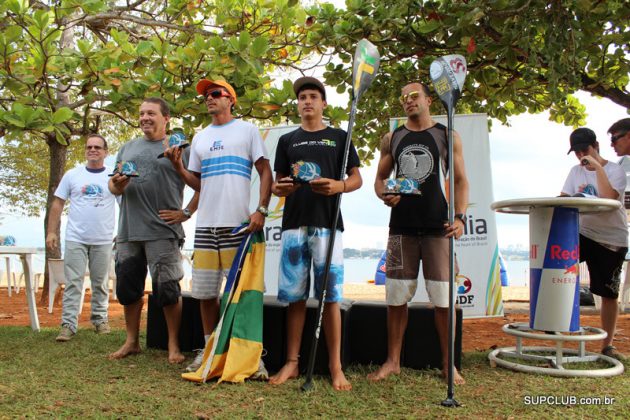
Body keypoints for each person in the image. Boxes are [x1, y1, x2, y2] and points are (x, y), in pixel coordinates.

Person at [165, 78, 272, 373]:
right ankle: (209, 348)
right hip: (206, 227)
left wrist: (261, 209)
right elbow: (198, 184)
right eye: (205, 96)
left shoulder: (247, 130)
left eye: (215, 94)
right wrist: (179, 168)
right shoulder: (200, 137)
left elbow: (265, 171)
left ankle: (252, 356)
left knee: (244, 293)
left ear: (230, 99)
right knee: (205, 294)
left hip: (238, 225)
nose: (208, 99)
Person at [368, 82, 469, 385]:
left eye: (414, 96)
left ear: (427, 99)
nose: (408, 101)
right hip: (401, 228)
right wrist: (384, 195)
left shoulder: (447, 135)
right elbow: (380, 179)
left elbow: (461, 180)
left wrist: (460, 217)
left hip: (438, 227)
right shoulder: (393, 137)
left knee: (443, 300)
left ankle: (448, 364)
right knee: (396, 298)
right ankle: (393, 361)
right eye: (403, 97)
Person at [268, 77, 362, 391]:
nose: (307, 101)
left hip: (328, 225)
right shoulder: (288, 140)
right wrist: (280, 187)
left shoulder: (339, 137)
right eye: (302, 97)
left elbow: (356, 178)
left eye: (313, 96)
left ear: (323, 103)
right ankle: (292, 363)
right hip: (294, 225)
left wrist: (339, 186)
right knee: (294, 299)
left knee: (330, 298)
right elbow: (277, 184)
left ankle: (336, 368)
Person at [108, 97, 198, 364]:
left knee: (168, 290)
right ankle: (132, 341)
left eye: (151, 113)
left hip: (163, 231)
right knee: (127, 289)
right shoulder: (127, 148)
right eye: (142, 113)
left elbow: (202, 184)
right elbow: (113, 187)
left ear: (166, 118)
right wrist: (118, 185)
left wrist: (186, 213)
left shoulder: (181, 147)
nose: (145, 117)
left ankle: (173, 345)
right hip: (128, 231)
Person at [561, 127, 627, 361]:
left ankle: (607, 344)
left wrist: (597, 168)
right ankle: (561, 327)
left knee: (608, 292)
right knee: (560, 270)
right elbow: (564, 197)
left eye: (584, 150)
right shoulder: (574, 171)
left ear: (596, 146)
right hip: (582, 232)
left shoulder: (615, 170)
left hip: (611, 238)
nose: (581, 156)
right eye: (577, 152)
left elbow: (611, 198)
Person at [46, 134, 117, 341]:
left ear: (106, 151)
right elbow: (58, 203)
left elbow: (125, 203)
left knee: (100, 283)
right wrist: (52, 231)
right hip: (75, 237)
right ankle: (68, 324)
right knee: (73, 282)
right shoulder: (72, 175)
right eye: (89, 147)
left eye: (97, 147)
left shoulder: (113, 177)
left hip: (103, 239)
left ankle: (100, 320)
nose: (93, 150)